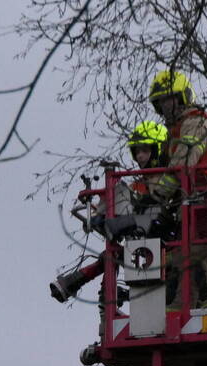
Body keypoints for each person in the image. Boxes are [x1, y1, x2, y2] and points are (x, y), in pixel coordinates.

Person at [50, 120, 169, 302]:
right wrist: (101, 206)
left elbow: (159, 209)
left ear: (157, 149)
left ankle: (78, 283)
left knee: (119, 195)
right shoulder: (139, 183)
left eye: (145, 150)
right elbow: (129, 200)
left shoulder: (169, 178)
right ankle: (85, 288)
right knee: (111, 254)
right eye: (137, 152)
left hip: (164, 237)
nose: (140, 156)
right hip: (143, 240)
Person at [148, 69, 207, 309]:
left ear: (182, 97)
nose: (165, 106)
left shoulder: (196, 123)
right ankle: (183, 303)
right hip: (191, 199)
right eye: (161, 102)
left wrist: (157, 195)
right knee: (180, 255)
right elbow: (166, 167)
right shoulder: (175, 130)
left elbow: (183, 163)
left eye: (169, 99)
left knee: (206, 252)